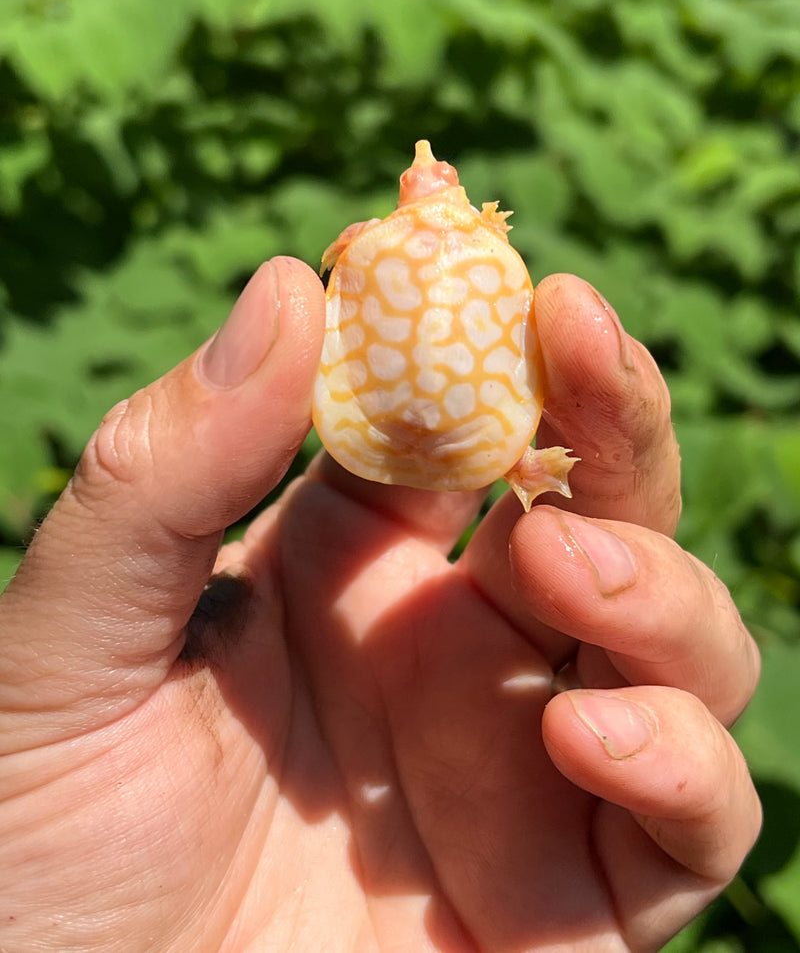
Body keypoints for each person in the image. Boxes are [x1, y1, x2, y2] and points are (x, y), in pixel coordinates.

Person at [0, 256, 761, 952]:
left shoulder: (397, 248)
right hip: (465, 438)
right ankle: (516, 461)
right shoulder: (466, 250)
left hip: (458, 439)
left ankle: (516, 461)